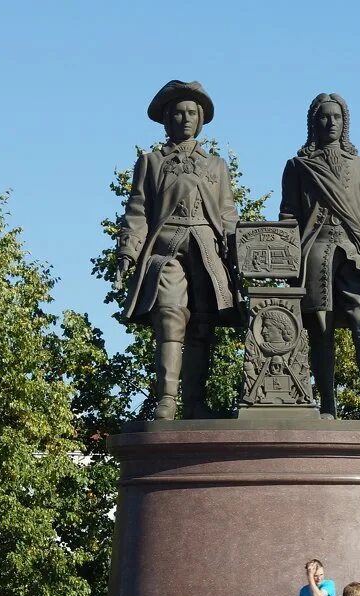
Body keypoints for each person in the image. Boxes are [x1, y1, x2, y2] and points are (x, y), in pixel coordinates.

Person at [279, 92, 360, 421]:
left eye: (336, 117)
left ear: (345, 122)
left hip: (354, 254)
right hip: (314, 255)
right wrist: (282, 256)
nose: (330, 122)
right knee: (320, 331)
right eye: (324, 116)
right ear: (314, 122)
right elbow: (288, 217)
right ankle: (326, 406)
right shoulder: (297, 167)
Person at [116, 80, 239, 420]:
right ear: (167, 120)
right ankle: (167, 400)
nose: (185, 118)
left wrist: (240, 249)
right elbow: (137, 210)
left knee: (202, 324)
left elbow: (228, 215)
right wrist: (128, 250)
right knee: (170, 318)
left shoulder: (216, 166)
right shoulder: (151, 162)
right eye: (178, 113)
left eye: (191, 113)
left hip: (207, 250)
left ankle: (196, 403)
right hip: (166, 247)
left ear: (200, 120)